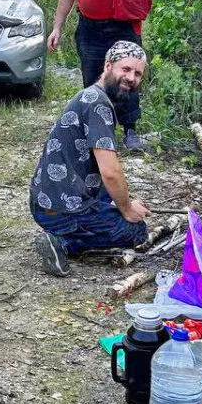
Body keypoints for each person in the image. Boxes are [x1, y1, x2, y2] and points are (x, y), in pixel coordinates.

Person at [31, 41, 151, 276]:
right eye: (125, 69)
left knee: (117, 200)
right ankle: (62, 243)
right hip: (58, 208)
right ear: (108, 66)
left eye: (137, 74)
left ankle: (68, 231)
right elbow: (110, 172)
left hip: (46, 198)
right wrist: (126, 209)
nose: (131, 78)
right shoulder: (98, 105)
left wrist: (125, 201)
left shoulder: (92, 96)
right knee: (137, 232)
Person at [46, 0, 156, 153]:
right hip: (90, 29)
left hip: (122, 26)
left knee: (128, 77)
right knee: (93, 80)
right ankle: (98, 133)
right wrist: (56, 28)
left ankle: (131, 131)